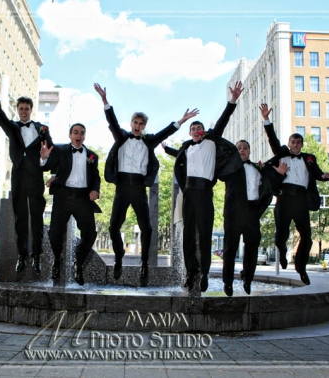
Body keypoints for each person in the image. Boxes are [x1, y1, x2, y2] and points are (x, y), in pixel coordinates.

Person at [94, 83, 199, 283]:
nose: (138, 125)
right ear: (132, 122)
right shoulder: (122, 137)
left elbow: (165, 133)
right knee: (113, 227)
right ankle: (118, 258)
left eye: (142, 123)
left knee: (147, 228)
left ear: (144, 126)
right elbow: (112, 121)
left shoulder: (148, 141)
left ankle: (144, 264)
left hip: (139, 187)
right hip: (122, 187)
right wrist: (105, 101)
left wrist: (182, 120)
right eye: (136, 121)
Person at [173, 81, 243, 293]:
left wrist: (233, 100)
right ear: (190, 133)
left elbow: (223, 120)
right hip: (189, 193)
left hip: (205, 192)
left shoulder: (212, 142)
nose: (196, 130)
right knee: (187, 236)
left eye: (199, 128)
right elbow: (177, 159)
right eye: (193, 128)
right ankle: (190, 272)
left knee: (205, 234)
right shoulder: (186, 148)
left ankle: (204, 273)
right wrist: (167, 148)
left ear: (204, 131)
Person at [261, 103, 329, 285]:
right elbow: (272, 139)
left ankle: (301, 268)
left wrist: (325, 176)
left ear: (301, 145)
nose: (295, 144)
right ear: (289, 143)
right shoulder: (281, 155)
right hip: (284, 198)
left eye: (298, 142)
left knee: (307, 237)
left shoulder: (309, 158)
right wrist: (266, 119)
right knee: (281, 234)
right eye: (293, 141)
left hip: (301, 200)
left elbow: (317, 173)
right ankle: (282, 251)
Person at [0, 69, 53, 274]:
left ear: (31, 110)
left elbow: (50, 152)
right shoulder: (13, 127)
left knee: (37, 219)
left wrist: (45, 159)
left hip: (36, 178)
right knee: (20, 219)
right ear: (17, 110)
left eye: (27, 108)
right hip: (18, 178)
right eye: (21, 108)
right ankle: (21, 255)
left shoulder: (41, 129)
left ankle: (36, 256)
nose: (24, 111)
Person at [221, 139, 287, 296]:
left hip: (252, 212)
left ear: (249, 151)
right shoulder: (229, 168)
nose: (242, 150)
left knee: (252, 248)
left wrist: (279, 174)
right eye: (239, 148)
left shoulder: (259, 169)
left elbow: (270, 185)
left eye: (245, 148)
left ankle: (248, 278)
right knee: (230, 248)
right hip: (233, 214)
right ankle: (227, 282)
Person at [39, 123, 101, 285]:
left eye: (81, 133)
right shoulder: (60, 151)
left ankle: (78, 263)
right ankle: (57, 260)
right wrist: (44, 157)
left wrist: (95, 190)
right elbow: (48, 167)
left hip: (82, 198)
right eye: (75, 132)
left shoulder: (92, 156)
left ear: (84, 136)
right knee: (54, 232)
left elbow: (96, 177)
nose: (78, 135)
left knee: (90, 233)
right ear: (70, 135)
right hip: (63, 196)